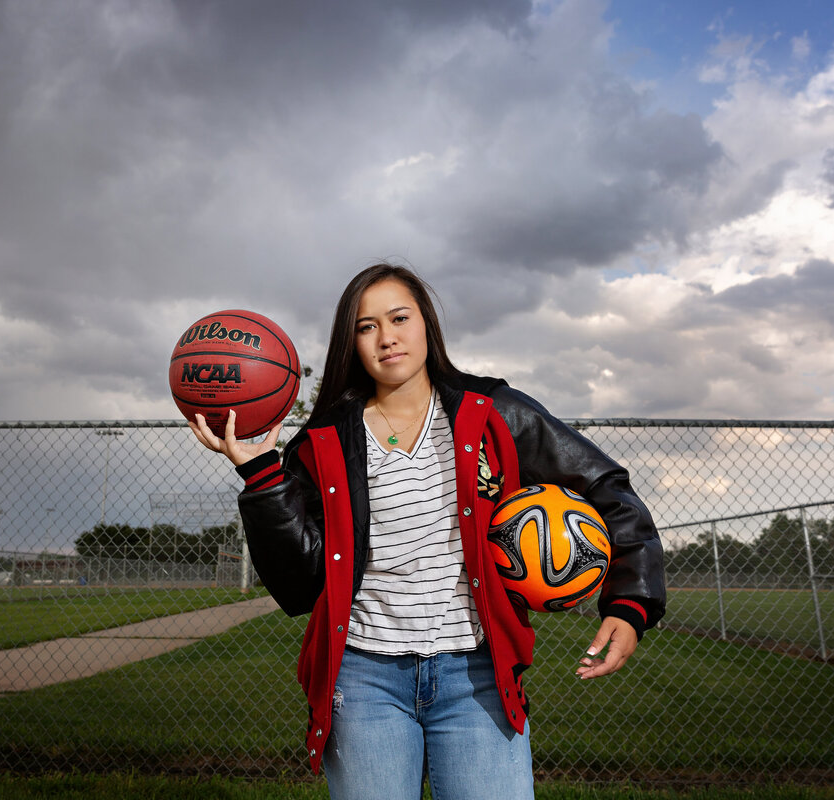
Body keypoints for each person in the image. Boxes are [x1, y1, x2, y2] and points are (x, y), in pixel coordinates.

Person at [189, 263, 665, 800]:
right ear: (351, 341)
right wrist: (261, 475)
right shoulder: (322, 441)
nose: (386, 337)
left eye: (399, 318)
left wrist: (630, 603)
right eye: (366, 326)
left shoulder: (493, 413)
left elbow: (609, 489)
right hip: (364, 682)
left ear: (426, 325)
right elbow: (298, 587)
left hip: (475, 676)